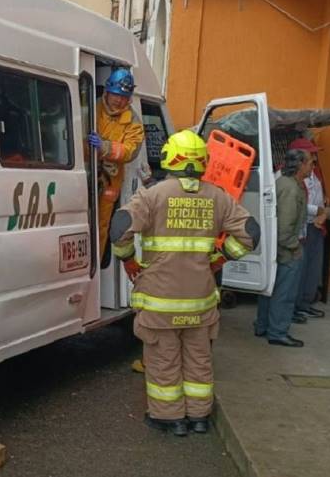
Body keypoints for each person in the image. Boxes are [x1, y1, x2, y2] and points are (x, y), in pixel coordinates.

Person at [109, 130, 257, 437]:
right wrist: (220, 259)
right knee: (198, 361)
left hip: (160, 301)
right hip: (200, 301)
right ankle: (199, 417)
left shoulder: (153, 195)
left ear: (169, 157)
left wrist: (128, 260)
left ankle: (170, 418)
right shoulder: (217, 196)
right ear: (202, 161)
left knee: (163, 360)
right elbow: (250, 234)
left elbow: (120, 228)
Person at [256, 149, 311, 347]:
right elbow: (285, 228)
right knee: (284, 293)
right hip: (286, 251)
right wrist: (294, 247)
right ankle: (278, 331)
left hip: (274, 248)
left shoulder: (281, 183)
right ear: (301, 164)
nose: (311, 166)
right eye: (309, 162)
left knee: (269, 290)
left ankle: (263, 326)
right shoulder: (291, 189)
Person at [87, 67, 144, 258]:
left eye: (124, 97)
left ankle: (93, 264)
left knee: (100, 226)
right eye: (116, 95)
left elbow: (131, 150)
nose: (119, 100)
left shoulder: (133, 121)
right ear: (107, 91)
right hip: (85, 172)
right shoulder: (91, 107)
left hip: (110, 179)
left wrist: (105, 147)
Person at [288, 138, 327, 321]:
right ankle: (294, 307)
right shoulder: (287, 176)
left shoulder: (315, 171)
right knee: (298, 271)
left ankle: (305, 303)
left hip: (315, 225)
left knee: (312, 268)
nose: (315, 157)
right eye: (311, 154)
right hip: (300, 227)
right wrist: (317, 210)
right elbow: (294, 204)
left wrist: (323, 206)